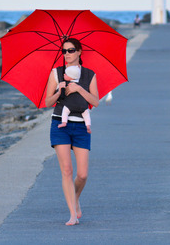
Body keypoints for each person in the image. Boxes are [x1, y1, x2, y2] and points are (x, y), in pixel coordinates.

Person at [45, 37, 99, 226]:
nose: (67, 54)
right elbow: (47, 103)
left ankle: (74, 198)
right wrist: (59, 91)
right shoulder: (56, 73)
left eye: (71, 50)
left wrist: (78, 89)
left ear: (79, 52)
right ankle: (72, 214)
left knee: (82, 174)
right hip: (60, 124)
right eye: (64, 51)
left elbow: (96, 101)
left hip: (81, 127)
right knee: (67, 170)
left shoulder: (89, 75)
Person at [57, 65, 92, 134]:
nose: (64, 74)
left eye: (66, 74)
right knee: (86, 114)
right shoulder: (82, 84)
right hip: (83, 105)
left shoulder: (66, 84)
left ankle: (64, 122)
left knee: (65, 111)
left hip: (70, 105)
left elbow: (61, 95)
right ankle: (88, 126)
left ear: (71, 77)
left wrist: (60, 87)